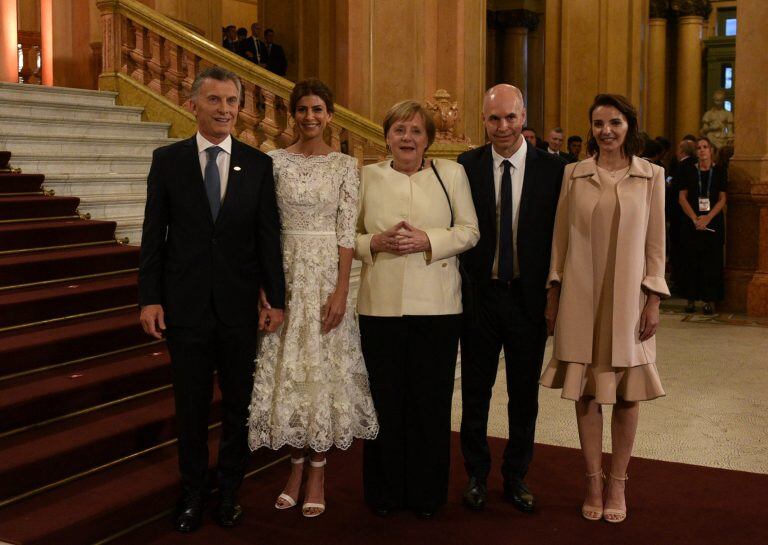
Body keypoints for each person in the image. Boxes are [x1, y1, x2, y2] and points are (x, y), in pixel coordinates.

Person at [138, 66, 286, 532]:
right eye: (215, 101)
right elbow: (152, 237)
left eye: (232, 102)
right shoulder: (168, 161)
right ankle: (193, 492)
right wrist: (149, 298)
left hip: (241, 310)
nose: (225, 110)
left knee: (238, 407)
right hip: (185, 310)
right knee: (192, 408)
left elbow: (268, 238)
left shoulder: (258, 164)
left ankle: (229, 492)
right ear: (193, 104)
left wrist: (275, 299)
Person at [248, 78, 379, 518]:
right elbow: (264, 227)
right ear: (291, 114)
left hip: (325, 274)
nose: (309, 117)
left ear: (330, 115)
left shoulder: (344, 165)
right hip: (285, 272)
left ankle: (318, 472)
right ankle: (294, 469)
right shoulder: (273, 162)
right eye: (302, 109)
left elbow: (347, 231)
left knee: (321, 370)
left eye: (317, 109)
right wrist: (266, 284)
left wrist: (343, 288)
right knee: (290, 371)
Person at [540, 93, 668, 524]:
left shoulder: (652, 177)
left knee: (628, 392)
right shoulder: (573, 174)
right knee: (589, 390)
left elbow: (656, 247)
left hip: (630, 299)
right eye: (598, 124)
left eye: (614, 122)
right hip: (580, 296)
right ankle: (593, 479)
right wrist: (553, 292)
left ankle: (618, 482)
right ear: (591, 129)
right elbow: (560, 238)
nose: (606, 131)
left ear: (629, 125)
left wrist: (653, 300)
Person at [356, 100, 479, 519]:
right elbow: (347, 237)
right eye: (399, 130)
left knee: (430, 402)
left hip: (438, 307)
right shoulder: (366, 177)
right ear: (386, 136)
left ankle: (427, 495)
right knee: (385, 401)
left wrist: (428, 240)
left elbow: (469, 231)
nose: (407, 138)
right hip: (379, 307)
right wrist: (374, 242)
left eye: (416, 131)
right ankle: (384, 493)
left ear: (428, 139)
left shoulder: (453, 173)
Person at [457, 84, 564, 514]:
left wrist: (555, 296)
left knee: (523, 396)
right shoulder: (466, 166)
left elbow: (563, 240)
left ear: (524, 117)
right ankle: (476, 476)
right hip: (480, 298)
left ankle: (516, 476)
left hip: (527, 300)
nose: (502, 127)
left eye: (510, 118)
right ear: (483, 120)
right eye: (493, 118)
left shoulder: (554, 171)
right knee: (475, 394)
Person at [677, 136, 727, 314]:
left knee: (711, 262)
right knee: (691, 260)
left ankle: (710, 300)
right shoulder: (688, 171)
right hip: (692, 221)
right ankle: (690, 299)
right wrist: (695, 218)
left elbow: (722, 199)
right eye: (698, 148)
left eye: (705, 147)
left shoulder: (719, 171)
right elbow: (682, 197)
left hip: (712, 222)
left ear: (711, 150)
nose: (702, 150)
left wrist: (707, 218)